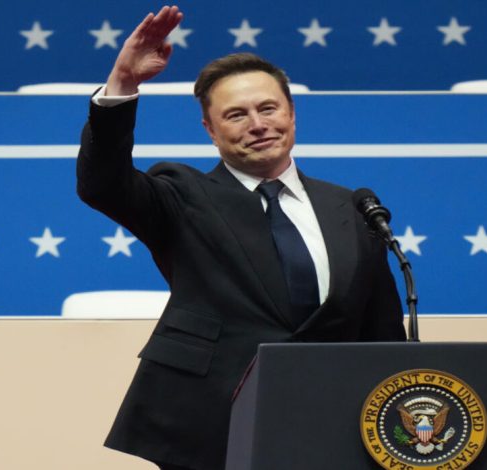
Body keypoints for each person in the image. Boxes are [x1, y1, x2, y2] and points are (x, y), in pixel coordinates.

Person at [76, 5, 406, 470]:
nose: (257, 124)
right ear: (210, 131)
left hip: (332, 420)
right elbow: (103, 184)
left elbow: (381, 331)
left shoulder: (351, 207)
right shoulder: (182, 194)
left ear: (292, 114)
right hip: (208, 425)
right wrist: (123, 83)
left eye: (268, 108)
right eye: (236, 115)